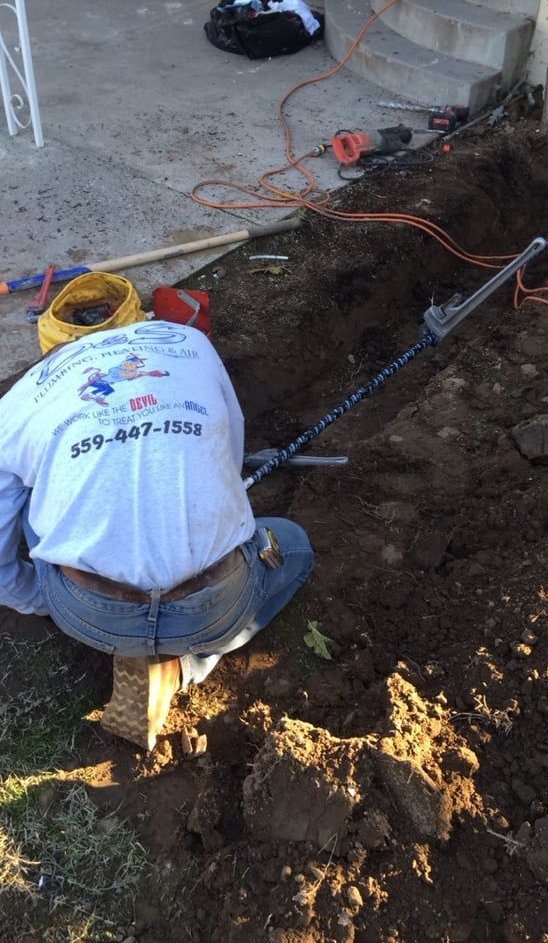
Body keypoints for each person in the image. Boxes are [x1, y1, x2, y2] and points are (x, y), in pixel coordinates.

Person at [0, 307, 314, 746]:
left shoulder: (20, 400)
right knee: (295, 547)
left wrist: (37, 599)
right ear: (139, 320)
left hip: (90, 611)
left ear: (50, 349)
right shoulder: (188, 343)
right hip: (212, 607)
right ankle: (184, 665)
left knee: (34, 493)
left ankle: (126, 635)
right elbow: (231, 447)